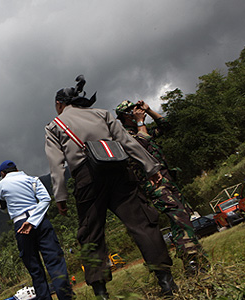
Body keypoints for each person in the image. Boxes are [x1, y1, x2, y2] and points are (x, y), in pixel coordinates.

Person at [44, 76, 177, 299]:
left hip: (87, 178)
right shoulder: (102, 114)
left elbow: (56, 164)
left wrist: (61, 197)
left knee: (91, 234)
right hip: (119, 169)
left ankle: (101, 293)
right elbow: (127, 141)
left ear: (59, 104)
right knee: (142, 223)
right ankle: (166, 282)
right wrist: (151, 167)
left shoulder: (54, 126)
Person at [115, 100, 206, 275]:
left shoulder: (143, 129)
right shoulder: (124, 135)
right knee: (179, 216)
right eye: (132, 110)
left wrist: (149, 111)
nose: (136, 112)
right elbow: (140, 146)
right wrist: (140, 122)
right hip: (154, 185)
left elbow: (166, 126)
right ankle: (192, 261)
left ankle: (195, 260)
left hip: (167, 180)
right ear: (125, 116)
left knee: (182, 217)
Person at [0, 160, 73, 300]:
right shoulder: (32, 180)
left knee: (35, 269)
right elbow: (45, 200)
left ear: (2, 173)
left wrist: (27, 222)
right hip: (42, 222)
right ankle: (66, 297)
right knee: (55, 262)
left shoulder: (0, 186)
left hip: (20, 224)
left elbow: (2, 207)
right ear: (17, 169)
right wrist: (33, 220)